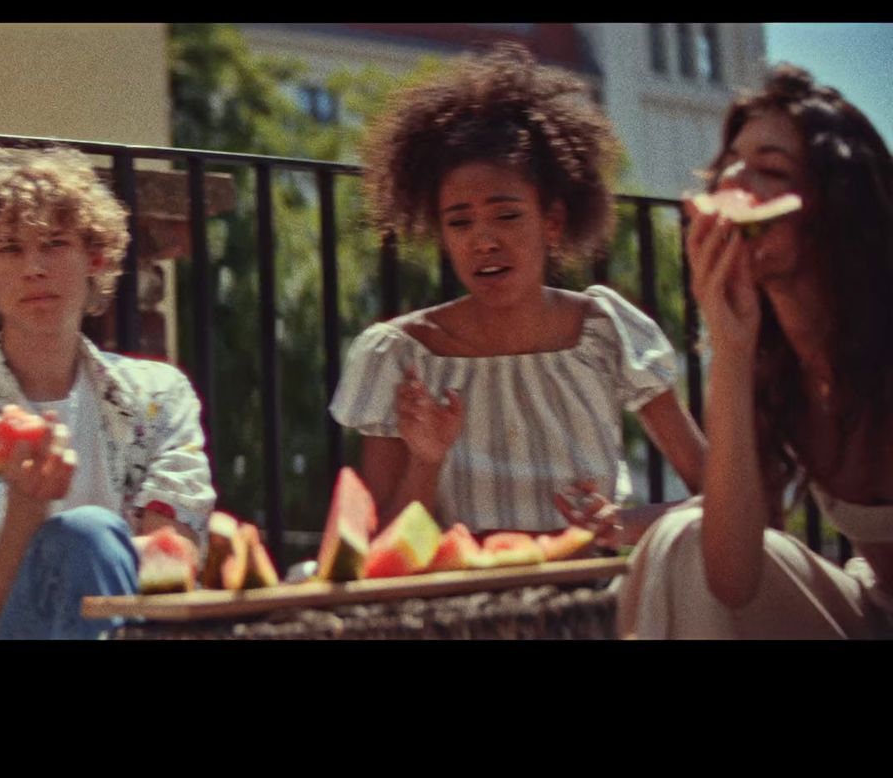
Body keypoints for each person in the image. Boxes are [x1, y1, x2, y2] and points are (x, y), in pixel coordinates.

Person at [329, 43, 706, 541]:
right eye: (460, 222)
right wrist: (425, 461)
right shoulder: (397, 354)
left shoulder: (608, 330)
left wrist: (618, 525)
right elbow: (375, 547)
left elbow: (720, 499)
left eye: (506, 215)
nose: (484, 240)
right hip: (460, 609)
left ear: (552, 221)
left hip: (593, 599)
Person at [0, 144, 215, 640]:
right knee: (84, 532)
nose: (34, 268)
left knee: (86, 535)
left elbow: (173, 567)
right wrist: (26, 501)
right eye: (10, 249)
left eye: (55, 244)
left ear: (95, 258)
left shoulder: (160, 395)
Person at [617, 64, 893, 638]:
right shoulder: (778, 368)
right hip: (874, 606)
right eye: (732, 165)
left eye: (771, 169)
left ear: (834, 206)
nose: (737, 183)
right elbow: (733, 580)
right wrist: (730, 347)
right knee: (682, 540)